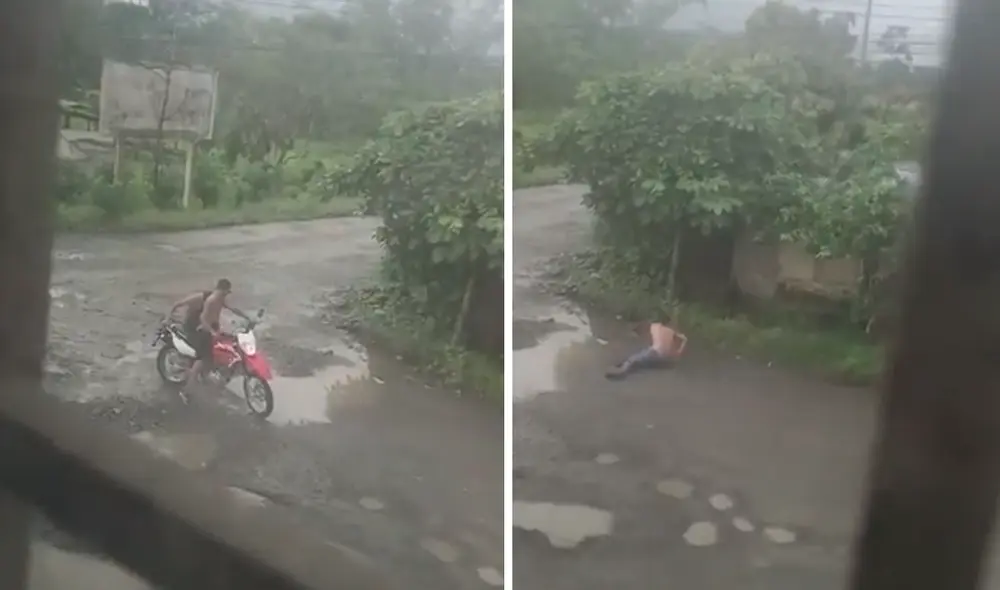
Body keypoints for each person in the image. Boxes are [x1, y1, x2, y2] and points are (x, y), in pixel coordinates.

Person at [166, 279, 249, 394]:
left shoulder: (220, 299)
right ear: (220, 290)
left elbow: (233, 309)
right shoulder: (207, 299)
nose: (226, 295)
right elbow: (200, 318)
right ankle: (186, 390)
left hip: (211, 327)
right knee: (204, 359)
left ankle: (210, 374)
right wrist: (168, 317)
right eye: (225, 293)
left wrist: (247, 317)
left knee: (226, 345)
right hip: (197, 328)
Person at [605, 318, 687, 380]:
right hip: (667, 355)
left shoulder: (654, 326)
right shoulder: (671, 331)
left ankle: (623, 373)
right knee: (641, 355)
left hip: (656, 351)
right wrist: (679, 350)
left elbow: (646, 336)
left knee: (635, 360)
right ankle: (624, 364)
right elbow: (684, 338)